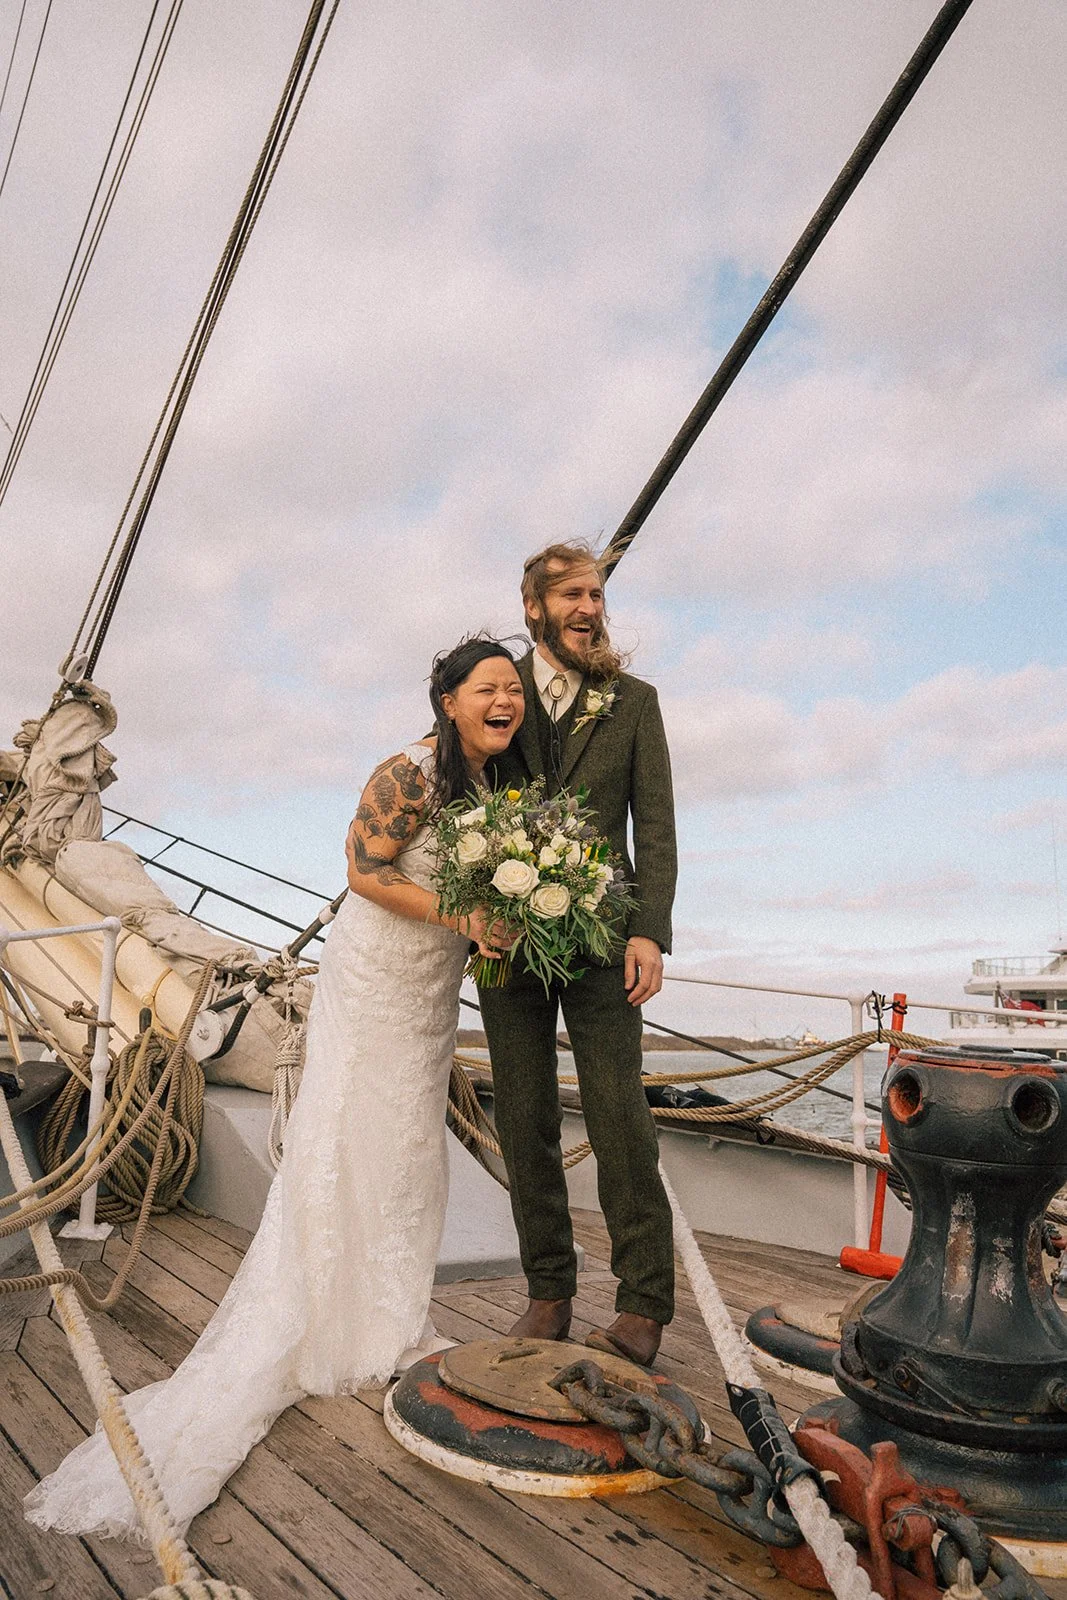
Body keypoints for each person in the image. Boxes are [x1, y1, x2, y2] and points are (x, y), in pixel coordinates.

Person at [25, 636, 524, 1540]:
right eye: (489, 688)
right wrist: (464, 913)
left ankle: (387, 1323)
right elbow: (364, 876)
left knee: (408, 1155)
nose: (506, 701)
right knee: (349, 1143)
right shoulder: (406, 776)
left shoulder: (495, 791)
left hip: (428, 997)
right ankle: (332, 1324)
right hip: (377, 982)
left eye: (514, 690)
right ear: (447, 700)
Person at [479, 540, 678, 1368]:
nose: (589, 608)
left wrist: (649, 931)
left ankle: (642, 1307)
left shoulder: (633, 701)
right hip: (507, 941)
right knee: (523, 1118)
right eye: (571, 596)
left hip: (605, 937)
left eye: (596, 594)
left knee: (618, 1115)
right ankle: (547, 1294)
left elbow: (655, 826)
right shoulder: (494, 693)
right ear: (534, 608)